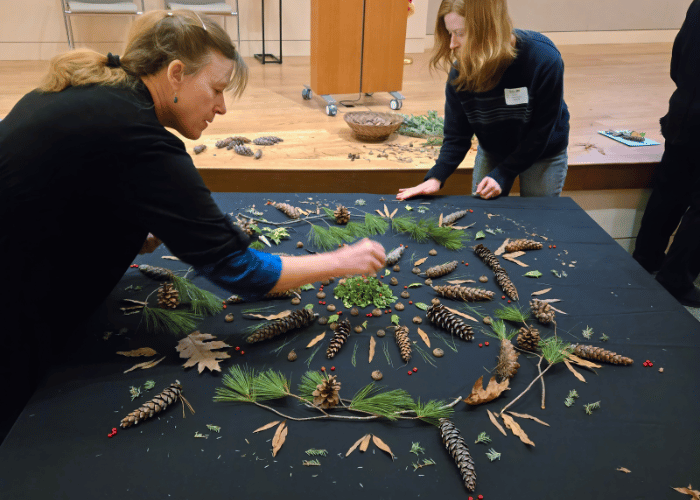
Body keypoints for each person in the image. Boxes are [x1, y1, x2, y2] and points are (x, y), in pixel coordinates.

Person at [0, 10, 385, 443]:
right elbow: (240, 270)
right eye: (216, 89)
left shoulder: (99, 92)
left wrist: (125, 228)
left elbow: (70, 190)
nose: (221, 107)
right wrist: (341, 260)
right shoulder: (140, 138)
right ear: (176, 74)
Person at [397, 0, 569, 201]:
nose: (452, 44)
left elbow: (541, 132)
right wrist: (435, 177)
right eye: (450, 33)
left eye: (460, 33)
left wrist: (503, 174)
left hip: (543, 152)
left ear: (489, 30)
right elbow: (457, 136)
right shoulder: (460, 72)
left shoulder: (543, 59)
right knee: (483, 216)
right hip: (494, 148)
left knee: (538, 218)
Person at [632, 0, 700, 307]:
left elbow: (678, 59)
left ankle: (645, 259)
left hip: (684, 110)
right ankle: (676, 280)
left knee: (669, 189)